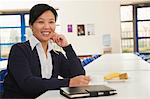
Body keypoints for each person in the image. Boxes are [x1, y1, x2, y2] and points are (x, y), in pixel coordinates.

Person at [4, 3, 90, 98]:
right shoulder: (19, 50)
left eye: (51, 22)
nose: (47, 27)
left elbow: (78, 76)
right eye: (41, 22)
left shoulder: (56, 54)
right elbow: (27, 84)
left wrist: (67, 47)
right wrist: (68, 82)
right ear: (31, 25)